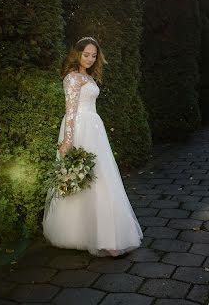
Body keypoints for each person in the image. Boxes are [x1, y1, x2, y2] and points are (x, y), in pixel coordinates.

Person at [42, 36, 143, 257]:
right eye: (86, 54)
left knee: (101, 176)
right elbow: (70, 111)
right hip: (79, 128)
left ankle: (108, 235)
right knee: (84, 178)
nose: (89, 59)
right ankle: (88, 236)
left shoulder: (89, 76)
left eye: (93, 55)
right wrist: (67, 141)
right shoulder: (72, 78)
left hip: (94, 128)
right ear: (77, 53)